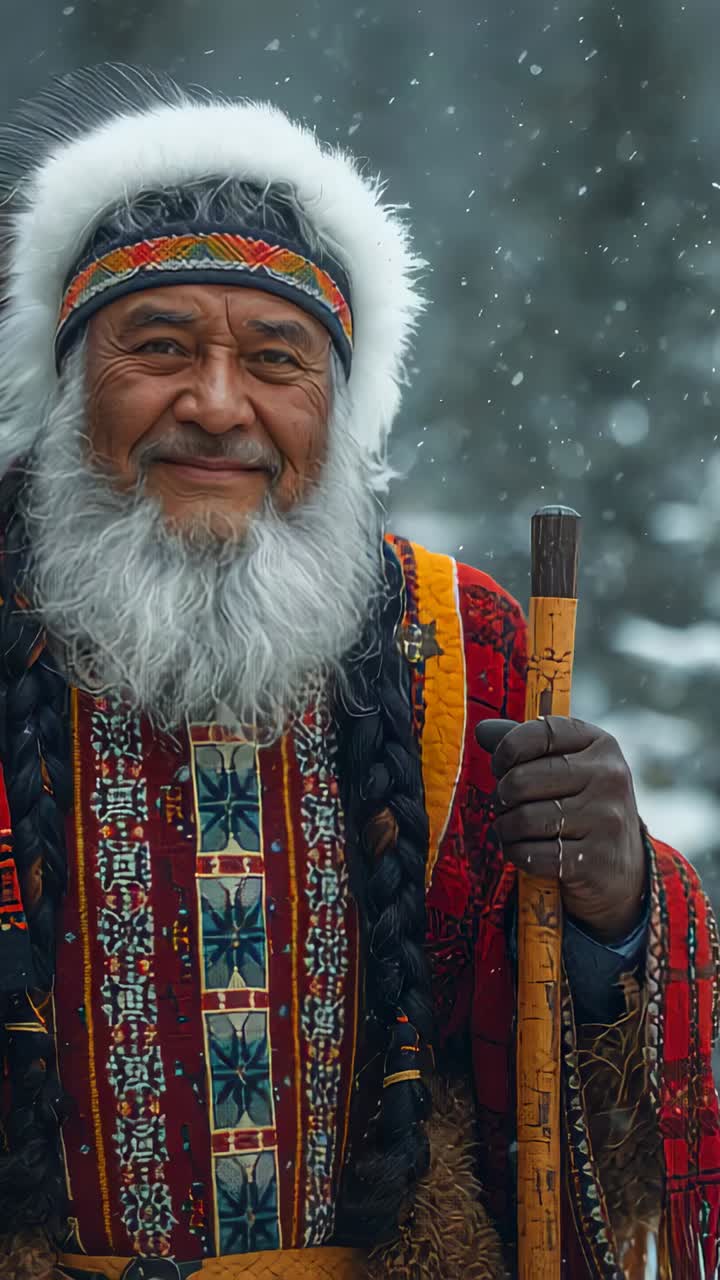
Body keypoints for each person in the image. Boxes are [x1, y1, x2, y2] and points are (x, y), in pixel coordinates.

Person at [0, 64, 716, 1280]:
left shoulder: (457, 639)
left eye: (276, 360)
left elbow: (532, 1055)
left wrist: (616, 908)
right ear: (68, 387)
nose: (218, 405)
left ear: (339, 408)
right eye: (159, 345)